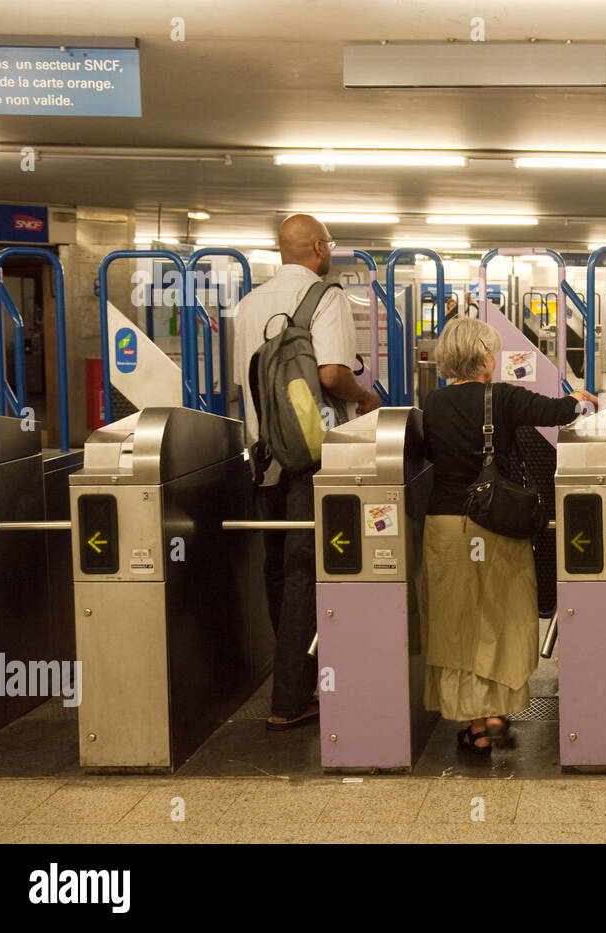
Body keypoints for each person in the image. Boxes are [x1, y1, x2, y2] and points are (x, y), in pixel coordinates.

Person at [231, 213, 381, 731]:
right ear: (319, 248)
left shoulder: (248, 306)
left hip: (263, 456)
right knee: (310, 573)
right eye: (330, 244)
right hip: (314, 459)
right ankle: (292, 698)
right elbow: (333, 374)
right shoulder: (326, 297)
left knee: (279, 567)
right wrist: (365, 397)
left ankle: (294, 679)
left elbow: (246, 387)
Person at [421, 316, 596, 755]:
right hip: (497, 524)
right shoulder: (502, 397)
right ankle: (496, 713)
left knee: (458, 622)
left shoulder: (434, 403)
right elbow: (557, 412)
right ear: (483, 357)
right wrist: (578, 399)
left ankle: (478, 723)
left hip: (447, 528)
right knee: (503, 617)